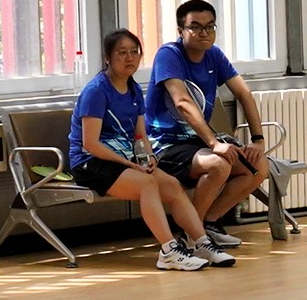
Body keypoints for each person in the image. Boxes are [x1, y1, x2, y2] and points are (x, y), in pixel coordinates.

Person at [73, 29, 227, 270]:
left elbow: (140, 135)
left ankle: (200, 242)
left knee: (172, 185)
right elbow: (90, 144)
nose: (129, 58)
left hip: (125, 160)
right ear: (107, 58)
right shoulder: (96, 91)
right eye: (122, 53)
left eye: (134, 52)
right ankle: (169, 251)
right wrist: (129, 164)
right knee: (147, 184)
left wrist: (149, 157)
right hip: (90, 163)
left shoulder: (134, 89)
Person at [144, 0, 271, 258]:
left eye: (210, 27)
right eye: (195, 27)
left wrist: (258, 140)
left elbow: (244, 93)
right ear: (181, 30)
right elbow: (182, 102)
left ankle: (207, 224)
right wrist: (214, 143)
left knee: (258, 166)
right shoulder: (169, 55)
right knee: (218, 164)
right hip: (164, 145)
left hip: (197, 144)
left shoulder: (214, 55)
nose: (204, 33)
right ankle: (193, 236)